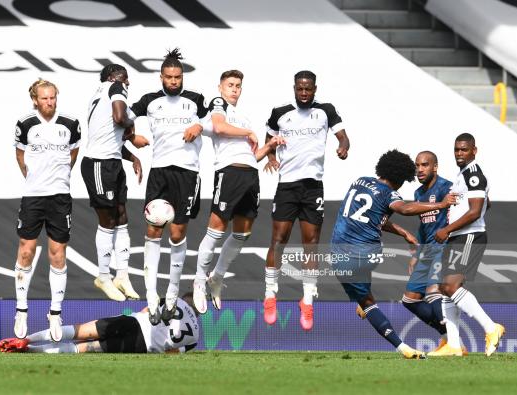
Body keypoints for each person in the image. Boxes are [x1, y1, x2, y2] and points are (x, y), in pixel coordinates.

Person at [330, 149, 456, 359]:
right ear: (400, 178)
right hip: (367, 253)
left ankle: (402, 347)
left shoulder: (359, 181)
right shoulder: (390, 193)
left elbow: (373, 217)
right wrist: (441, 204)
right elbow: (405, 209)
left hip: (336, 253)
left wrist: (404, 232)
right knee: (373, 262)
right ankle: (450, 336)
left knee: (368, 304)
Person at [262, 70, 350, 331]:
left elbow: (343, 135)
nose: (304, 93)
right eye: (300, 89)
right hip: (287, 185)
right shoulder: (280, 112)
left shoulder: (326, 111)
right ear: (294, 88)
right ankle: (270, 295)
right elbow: (269, 136)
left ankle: (308, 298)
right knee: (279, 240)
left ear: (314, 89)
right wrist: (270, 156)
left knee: (311, 244)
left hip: (313, 187)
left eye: (308, 89)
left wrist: (344, 146)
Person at [192, 70, 284, 314]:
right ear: (220, 87)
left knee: (243, 233)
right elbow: (220, 128)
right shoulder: (218, 104)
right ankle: (200, 281)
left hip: (249, 174)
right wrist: (248, 133)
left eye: (238, 86)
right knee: (216, 229)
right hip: (229, 172)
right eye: (230, 84)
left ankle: (217, 277)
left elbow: (251, 156)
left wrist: (269, 146)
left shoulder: (242, 116)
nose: (234, 89)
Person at [129, 48, 207, 325]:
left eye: (177, 77)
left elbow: (215, 121)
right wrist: (131, 136)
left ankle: (172, 297)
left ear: (182, 76)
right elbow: (123, 117)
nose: (174, 81)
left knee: (177, 233)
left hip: (187, 173)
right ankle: (151, 298)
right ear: (161, 77)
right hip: (159, 171)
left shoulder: (197, 100)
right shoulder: (150, 101)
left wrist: (200, 126)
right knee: (153, 230)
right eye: (169, 77)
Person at [13, 79, 81, 342]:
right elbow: (20, 157)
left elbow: (73, 155)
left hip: (60, 197)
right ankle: (21, 310)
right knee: (26, 249)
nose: (50, 102)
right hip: (33, 196)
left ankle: (55, 312)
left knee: (57, 252)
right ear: (35, 100)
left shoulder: (70, 124)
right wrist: (35, 179)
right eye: (45, 98)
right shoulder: (25, 124)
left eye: (53, 98)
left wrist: (58, 177)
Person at [429, 133, 505, 357]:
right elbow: (485, 204)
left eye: (464, 150)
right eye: (456, 150)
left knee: (451, 287)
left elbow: (475, 211)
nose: (459, 154)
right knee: (445, 288)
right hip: (459, 236)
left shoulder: (474, 174)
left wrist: (447, 229)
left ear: (474, 150)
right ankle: (453, 345)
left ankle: (492, 328)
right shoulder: (462, 174)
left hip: (468, 236)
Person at [81, 64, 149, 302]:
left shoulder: (102, 94)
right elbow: (120, 118)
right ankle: (103, 276)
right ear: (112, 78)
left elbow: (110, 137)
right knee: (108, 221)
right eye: (124, 78)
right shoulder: (114, 87)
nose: (127, 83)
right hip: (99, 165)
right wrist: (133, 130)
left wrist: (132, 157)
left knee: (121, 217)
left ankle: (122, 275)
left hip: (112, 162)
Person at [400, 151, 466, 354]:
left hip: (444, 247)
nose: (420, 169)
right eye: (417, 165)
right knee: (409, 299)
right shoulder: (419, 193)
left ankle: (456, 344)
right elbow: (422, 227)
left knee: (433, 292)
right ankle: (448, 339)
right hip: (427, 250)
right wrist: (415, 255)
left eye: (425, 165)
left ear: (435, 167)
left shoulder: (447, 187)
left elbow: (468, 209)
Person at [0, 294, 199, 354]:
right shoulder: (194, 339)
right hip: (143, 345)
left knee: (82, 330)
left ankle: (26, 339)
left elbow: (148, 311)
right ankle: (31, 351)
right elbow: (172, 353)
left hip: (133, 322)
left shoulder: (175, 301)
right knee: (87, 348)